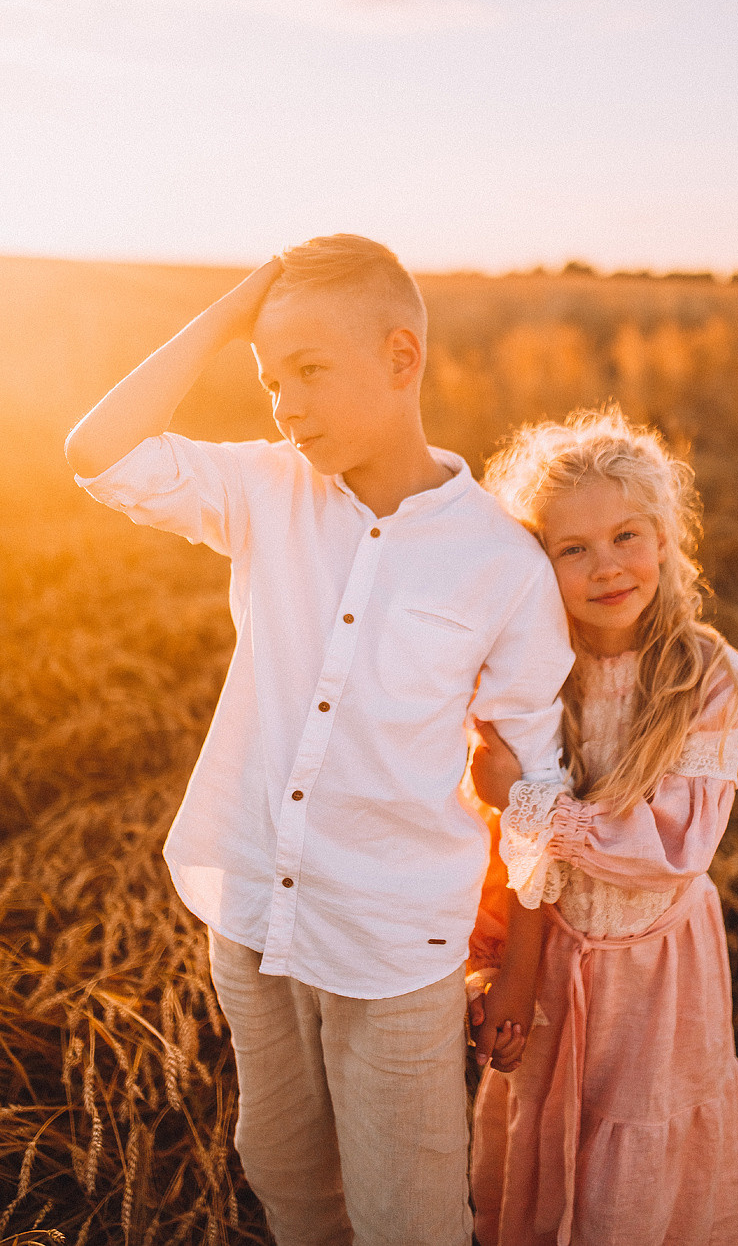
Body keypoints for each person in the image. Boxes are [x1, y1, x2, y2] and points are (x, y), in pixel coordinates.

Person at [64, 235, 576, 1246]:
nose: (284, 407)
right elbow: (99, 453)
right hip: (252, 905)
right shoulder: (263, 489)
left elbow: (536, 786)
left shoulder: (501, 564)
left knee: (409, 1213)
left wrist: (520, 969)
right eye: (268, 380)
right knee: (285, 1169)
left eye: (308, 371)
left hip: (396, 938)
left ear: (401, 358)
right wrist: (231, 312)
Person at [466, 407, 738, 1246]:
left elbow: (675, 847)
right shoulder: (526, 675)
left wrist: (526, 801)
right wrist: (494, 963)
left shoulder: (708, 676)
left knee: (639, 1120)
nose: (607, 567)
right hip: (552, 952)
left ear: (663, 537)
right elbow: (497, 850)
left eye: (625, 536)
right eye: (571, 549)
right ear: (534, 564)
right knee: (552, 1108)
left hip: (659, 962)